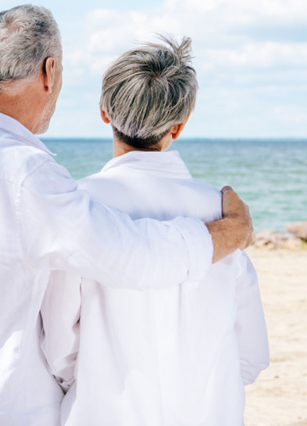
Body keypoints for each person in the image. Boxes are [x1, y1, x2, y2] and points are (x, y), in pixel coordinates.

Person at [0, 5, 254, 426]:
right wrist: (233, 231)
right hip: (0, 405)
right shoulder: (25, 174)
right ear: (50, 71)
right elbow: (133, 257)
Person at [41, 35, 269, 426]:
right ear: (178, 126)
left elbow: (60, 342)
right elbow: (251, 352)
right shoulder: (223, 213)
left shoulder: (81, 205)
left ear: (103, 112)